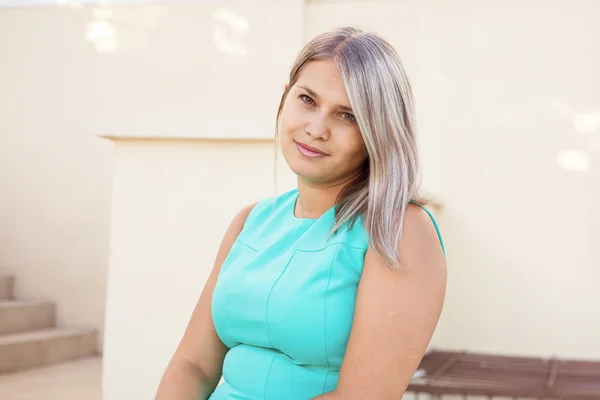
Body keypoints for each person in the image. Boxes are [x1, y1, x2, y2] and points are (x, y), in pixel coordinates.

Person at [155, 26, 447, 400]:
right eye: (307, 100)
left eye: (348, 116)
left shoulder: (400, 231)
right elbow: (192, 366)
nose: (316, 128)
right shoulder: (250, 221)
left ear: (379, 131)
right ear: (285, 98)